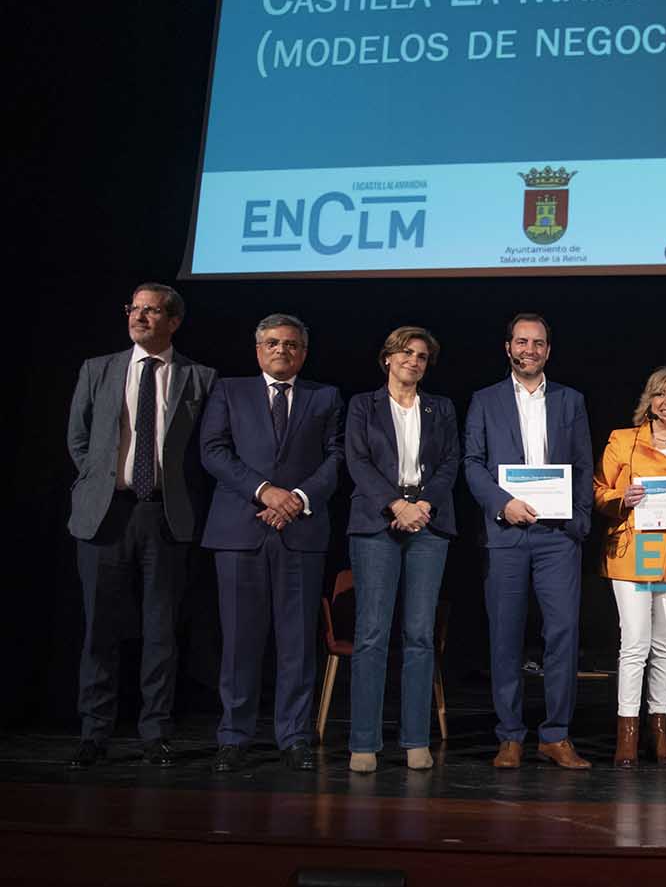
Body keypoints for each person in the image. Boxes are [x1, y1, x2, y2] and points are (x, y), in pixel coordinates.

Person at [65, 283, 217, 768]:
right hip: (106, 513)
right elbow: (78, 438)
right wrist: (99, 480)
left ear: (174, 321)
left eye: (152, 311)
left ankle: (155, 731)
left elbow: (204, 450)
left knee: (161, 630)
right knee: (100, 629)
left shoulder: (199, 377)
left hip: (164, 515)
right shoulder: (98, 369)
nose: (140, 317)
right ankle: (94, 731)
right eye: (135, 308)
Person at [201, 313, 344, 773]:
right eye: (273, 343)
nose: (282, 350)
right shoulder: (229, 390)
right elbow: (213, 451)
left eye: (291, 344)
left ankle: (295, 736)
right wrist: (265, 492)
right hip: (239, 531)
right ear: (258, 349)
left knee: (297, 642)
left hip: (300, 531)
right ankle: (234, 736)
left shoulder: (325, 396)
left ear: (304, 352)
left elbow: (336, 456)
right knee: (239, 641)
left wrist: (296, 499)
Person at [463, 313, 594, 769]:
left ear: (548, 351)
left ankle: (556, 735)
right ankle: (510, 736)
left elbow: (583, 463)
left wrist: (579, 520)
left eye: (538, 343)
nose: (529, 350)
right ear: (508, 348)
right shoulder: (485, 400)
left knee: (563, 634)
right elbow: (472, 463)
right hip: (507, 533)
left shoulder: (570, 400)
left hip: (557, 536)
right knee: (505, 636)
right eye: (522, 342)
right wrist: (503, 504)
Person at [344, 327, 460, 773]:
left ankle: (415, 739)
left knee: (420, 634)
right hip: (378, 522)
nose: (413, 361)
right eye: (406, 353)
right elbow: (357, 461)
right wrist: (396, 505)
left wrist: (423, 505)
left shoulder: (441, 408)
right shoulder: (363, 405)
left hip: (428, 523)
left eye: (422, 356)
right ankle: (364, 742)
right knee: (372, 633)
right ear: (387, 358)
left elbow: (450, 462)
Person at [593, 367, 666, 767]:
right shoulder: (624, 440)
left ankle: (658, 731)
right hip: (634, 553)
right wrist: (620, 498)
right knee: (635, 644)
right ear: (649, 401)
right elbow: (599, 491)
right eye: (660, 394)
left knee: (665, 647)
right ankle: (627, 733)